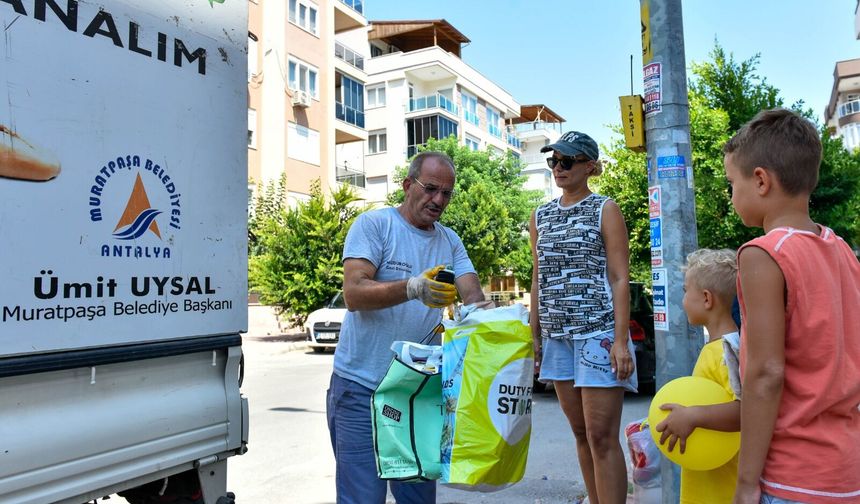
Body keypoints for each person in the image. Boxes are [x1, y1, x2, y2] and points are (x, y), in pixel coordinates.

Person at [327, 151, 490, 504]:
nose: (438, 200)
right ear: (407, 185)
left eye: (447, 193)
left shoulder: (449, 241)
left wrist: (503, 326)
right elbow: (354, 293)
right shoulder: (375, 226)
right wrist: (412, 288)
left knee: (417, 498)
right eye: (431, 189)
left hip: (417, 394)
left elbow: (474, 297)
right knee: (362, 498)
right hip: (361, 389)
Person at [723, 108, 860, 504]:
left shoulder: (763, 254)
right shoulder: (843, 252)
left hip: (793, 478)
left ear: (761, 180)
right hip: (846, 471)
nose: (732, 196)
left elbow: (766, 373)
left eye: (733, 183)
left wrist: (747, 482)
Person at [529, 131, 636, 504]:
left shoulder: (605, 208)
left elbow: (620, 277)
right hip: (557, 335)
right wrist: (535, 333)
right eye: (553, 161)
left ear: (589, 166)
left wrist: (621, 341)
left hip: (598, 334)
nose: (559, 168)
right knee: (580, 434)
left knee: (602, 437)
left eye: (567, 161)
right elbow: (538, 275)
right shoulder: (540, 214)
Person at [655, 248, 741, 504]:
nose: (682, 300)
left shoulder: (726, 352)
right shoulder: (722, 348)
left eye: (685, 291)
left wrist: (692, 416)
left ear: (706, 299)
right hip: (710, 484)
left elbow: (746, 411)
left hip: (720, 491)